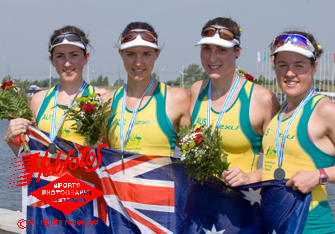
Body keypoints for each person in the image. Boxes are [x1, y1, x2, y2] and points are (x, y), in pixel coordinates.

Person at [262, 30, 335, 233]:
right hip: (275, 226)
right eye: (283, 65)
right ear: (274, 67)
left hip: (314, 227)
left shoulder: (326, 110)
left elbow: (311, 174)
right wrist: (248, 177)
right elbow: (279, 168)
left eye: (299, 66)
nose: (290, 73)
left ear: (314, 67)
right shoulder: (280, 112)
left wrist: (320, 176)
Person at [190, 17, 280, 186]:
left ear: (237, 51)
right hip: (198, 205)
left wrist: (251, 177)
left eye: (222, 50)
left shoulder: (262, 99)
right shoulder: (197, 90)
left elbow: (281, 163)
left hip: (242, 205)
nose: (212, 58)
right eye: (206, 48)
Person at [6, 25, 107, 155]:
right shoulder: (39, 100)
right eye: (60, 56)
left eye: (74, 55)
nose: (67, 63)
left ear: (86, 57)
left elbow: (115, 159)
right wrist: (11, 140)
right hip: (46, 175)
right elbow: (29, 156)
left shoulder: (103, 98)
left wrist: (98, 149)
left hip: (85, 174)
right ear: (52, 60)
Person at [104, 22, 191, 156]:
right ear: (121, 54)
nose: (138, 62)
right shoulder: (107, 101)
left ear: (157, 54)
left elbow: (193, 155)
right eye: (131, 54)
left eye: (146, 54)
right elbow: (104, 157)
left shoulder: (176, 99)